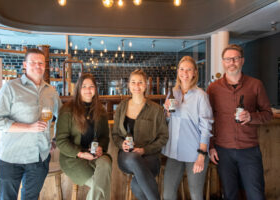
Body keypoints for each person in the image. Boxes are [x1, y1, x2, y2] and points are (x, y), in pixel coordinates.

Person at [0, 48, 62, 200]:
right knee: (6, 197)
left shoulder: (50, 91)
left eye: (41, 63)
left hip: (38, 158)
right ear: (24, 65)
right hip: (11, 158)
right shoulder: (10, 87)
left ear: (45, 66)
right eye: (33, 62)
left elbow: (62, 116)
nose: (37, 66)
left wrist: (55, 139)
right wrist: (29, 128)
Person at [207, 44, 273, 200]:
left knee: (256, 194)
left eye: (235, 59)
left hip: (249, 150)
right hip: (223, 150)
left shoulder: (255, 85)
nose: (232, 62)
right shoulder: (213, 88)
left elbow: (268, 114)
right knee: (230, 195)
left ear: (242, 61)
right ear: (223, 62)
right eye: (228, 59)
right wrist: (210, 146)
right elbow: (208, 119)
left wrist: (251, 117)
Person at [161, 56, 213, 200]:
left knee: (196, 195)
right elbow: (167, 121)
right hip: (174, 152)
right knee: (168, 194)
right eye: (182, 69)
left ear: (195, 72)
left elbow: (206, 127)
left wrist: (201, 156)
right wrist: (166, 112)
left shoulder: (201, 96)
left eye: (189, 69)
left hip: (194, 154)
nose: (185, 73)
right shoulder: (173, 93)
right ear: (178, 71)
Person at [112, 69, 169, 200]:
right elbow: (115, 134)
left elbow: (163, 137)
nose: (136, 86)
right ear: (129, 85)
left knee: (137, 185)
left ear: (145, 85)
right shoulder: (121, 107)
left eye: (140, 82)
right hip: (127, 157)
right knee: (133, 158)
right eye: (133, 82)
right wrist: (122, 144)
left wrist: (144, 150)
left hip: (150, 157)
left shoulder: (156, 110)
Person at [56, 73, 111, 200]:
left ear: (95, 89)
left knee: (106, 162)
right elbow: (61, 140)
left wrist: (101, 148)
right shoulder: (67, 109)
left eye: (91, 86)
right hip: (73, 158)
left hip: (94, 156)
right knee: (101, 184)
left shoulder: (100, 110)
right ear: (78, 89)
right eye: (84, 86)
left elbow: (104, 137)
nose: (88, 90)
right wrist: (81, 153)